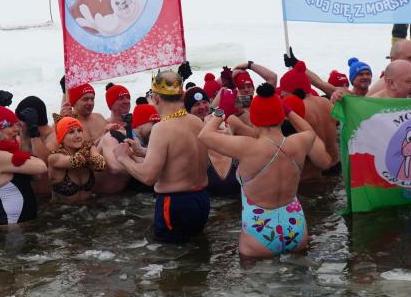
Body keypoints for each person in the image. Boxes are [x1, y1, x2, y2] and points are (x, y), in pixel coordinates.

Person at [199, 83, 331, 257]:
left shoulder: (247, 147)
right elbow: (308, 130)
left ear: (253, 119)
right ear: (281, 117)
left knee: (254, 274)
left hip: (260, 230)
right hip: (295, 227)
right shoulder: (300, 142)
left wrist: (221, 111)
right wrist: (287, 110)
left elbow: (204, 135)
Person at [113, 70, 210, 243]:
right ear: (181, 95)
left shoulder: (162, 128)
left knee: (169, 254)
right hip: (201, 200)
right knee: (197, 248)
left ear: (156, 98)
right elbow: (180, 155)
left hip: (174, 204)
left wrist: (123, 158)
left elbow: (148, 177)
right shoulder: (196, 122)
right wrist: (143, 151)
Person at [0, 104, 47, 226]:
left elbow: (36, 176)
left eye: (16, 124)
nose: (16, 129)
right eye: (10, 125)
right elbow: (41, 166)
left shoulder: (4, 153)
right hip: (12, 229)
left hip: (21, 225)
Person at [48, 117, 105, 205]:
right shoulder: (54, 158)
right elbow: (76, 161)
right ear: (61, 138)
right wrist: (89, 147)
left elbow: (100, 165)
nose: (78, 136)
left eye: (79, 131)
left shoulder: (88, 149)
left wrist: (93, 150)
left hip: (89, 207)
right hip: (62, 211)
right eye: (71, 132)